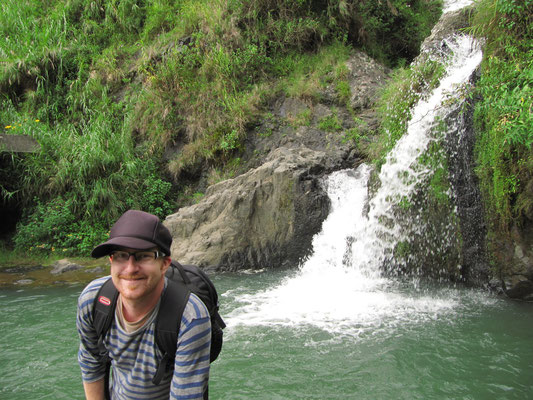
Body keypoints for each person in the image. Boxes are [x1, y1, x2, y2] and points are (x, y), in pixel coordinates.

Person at [76, 209, 211, 400]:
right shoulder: (93, 299)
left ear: (164, 264)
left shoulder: (190, 317)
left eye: (144, 256)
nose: (130, 269)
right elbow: (91, 362)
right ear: (111, 260)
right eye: (121, 255)